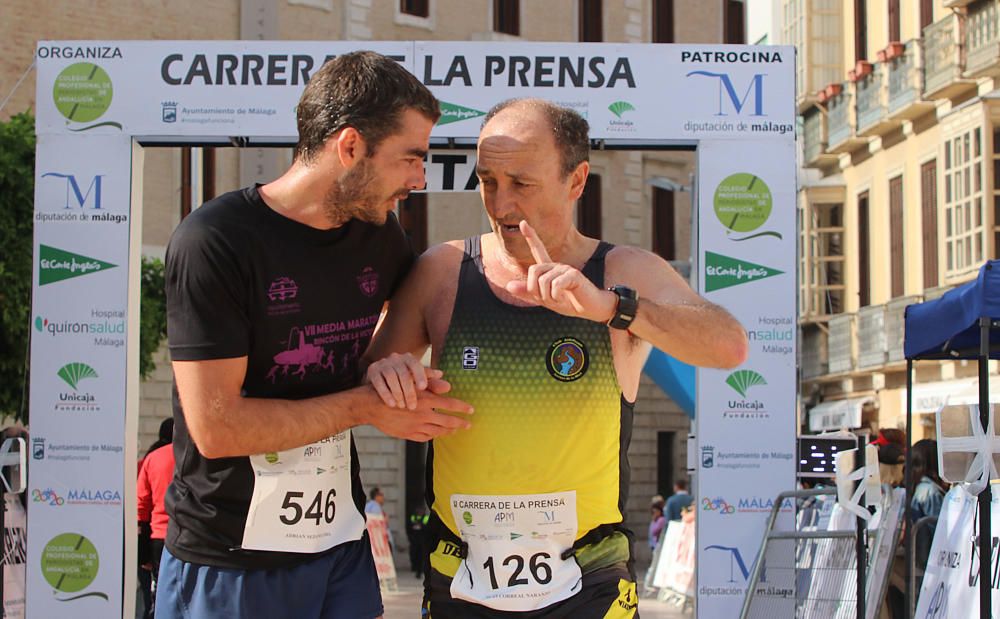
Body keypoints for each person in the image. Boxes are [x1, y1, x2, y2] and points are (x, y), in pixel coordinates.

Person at [363, 98, 747, 618]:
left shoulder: (619, 272)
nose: (501, 206)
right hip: (463, 577)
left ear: (576, 180)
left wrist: (614, 308)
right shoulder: (444, 270)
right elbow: (368, 383)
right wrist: (390, 379)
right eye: (488, 181)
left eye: (521, 184)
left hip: (587, 583)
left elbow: (728, 344)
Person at [158, 51, 473, 619]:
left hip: (338, 543)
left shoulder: (381, 237)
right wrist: (366, 405)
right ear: (350, 146)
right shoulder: (216, 241)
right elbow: (218, 428)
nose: (419, 179)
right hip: (231, 555)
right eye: (410, 158)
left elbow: (389, 346)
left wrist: (388, 368)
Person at [137, 418, 174, 619]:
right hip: (194, 537)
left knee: (159, 594)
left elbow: (141, 505)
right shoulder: (199, 456)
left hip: (159, 537)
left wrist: (143, 552)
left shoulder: (153, 458)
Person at [407, 505, 430, 578]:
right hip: (414, 540)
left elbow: (427, 528)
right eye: (419, 510)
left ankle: (419, 571)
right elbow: (409, 527)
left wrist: (420, 526)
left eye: (421, 510)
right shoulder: (413, 517)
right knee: (413, 554)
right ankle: (414, 567)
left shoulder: (426, 517)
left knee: (421, 556)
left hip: (422, 541)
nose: (420, 512)